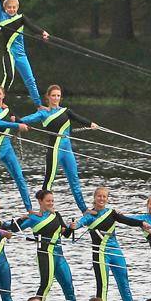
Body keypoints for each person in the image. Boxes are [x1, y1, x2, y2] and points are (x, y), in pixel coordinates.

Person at [70, 187, 148, 301]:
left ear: (107, 199)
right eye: (99, 196)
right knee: (103, 286)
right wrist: (73, 226)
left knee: (124, 285)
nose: (101, 199)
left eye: (104, 197)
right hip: (100, 253)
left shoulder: (111, 213)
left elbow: (126, 220)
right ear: (94, 198)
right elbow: (79, 224)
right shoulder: (89, 216)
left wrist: (141, 223)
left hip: (116, 252)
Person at [20, 84, 98, 213]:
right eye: (53, 96)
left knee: (74, 179)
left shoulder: (65, 111)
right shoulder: (43, 113)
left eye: (58, 96)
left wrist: (91, 124)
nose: (56, 98)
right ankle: (43, 209)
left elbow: (78, 118)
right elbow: (26, 119)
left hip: (68, 151)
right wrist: (16, 122)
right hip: (54, 150)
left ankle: (84, 209)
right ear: (48, 97)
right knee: (49, 180)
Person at [0, 0, 49, 107]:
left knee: (30, 80)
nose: (11, 10)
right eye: (9, 7)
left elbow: (32, 27)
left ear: (17, 7)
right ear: (5, 8)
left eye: (14, 7)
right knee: (10, 75)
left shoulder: (21, 18)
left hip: (21, 54)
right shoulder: (1, 16)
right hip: (8, 52)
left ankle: (38, 106)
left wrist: (43, 33)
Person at [18, 190, 79, 301]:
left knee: (68, 286)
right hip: (45, 255)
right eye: (48, 201)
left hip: (59, 256)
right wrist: (20, 219)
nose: (51, 203)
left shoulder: (57, 215)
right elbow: (14, 228)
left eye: (52, 200)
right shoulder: (33, 218)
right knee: (46, 285)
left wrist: (71, 227)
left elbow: (66, 234)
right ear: (40, 202)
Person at [0, 85, 33, 212]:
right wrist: (17, 125)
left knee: (19, 177)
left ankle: (30, 210)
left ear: (3, 96)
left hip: (7, 149)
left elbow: (17, 118)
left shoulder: (6, 109)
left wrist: (24, 124)